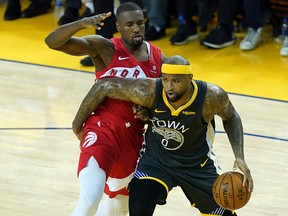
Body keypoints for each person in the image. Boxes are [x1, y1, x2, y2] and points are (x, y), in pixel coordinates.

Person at [72, 55, 254, 216]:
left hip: (196, 165)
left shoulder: (210, 97)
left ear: (190, 79)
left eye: (176, 81)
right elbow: (104, 85)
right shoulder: (149, 91)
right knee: (138, 209)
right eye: (165, 79)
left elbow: (231, 117)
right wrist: (76, 124)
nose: (169, 87)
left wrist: (240, 156)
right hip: (156, 161)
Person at [45, 2, 166, 215]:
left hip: (134, 137)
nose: (136, 28)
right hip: (103, 129)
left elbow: (166, 103)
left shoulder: (158, 58)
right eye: (129, 24)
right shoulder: (105, 48)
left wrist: (149, 114)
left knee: (119, 206)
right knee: (90, 200)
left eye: (140, 23)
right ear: (118, 27)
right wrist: (82, 23)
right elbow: (52, 42)